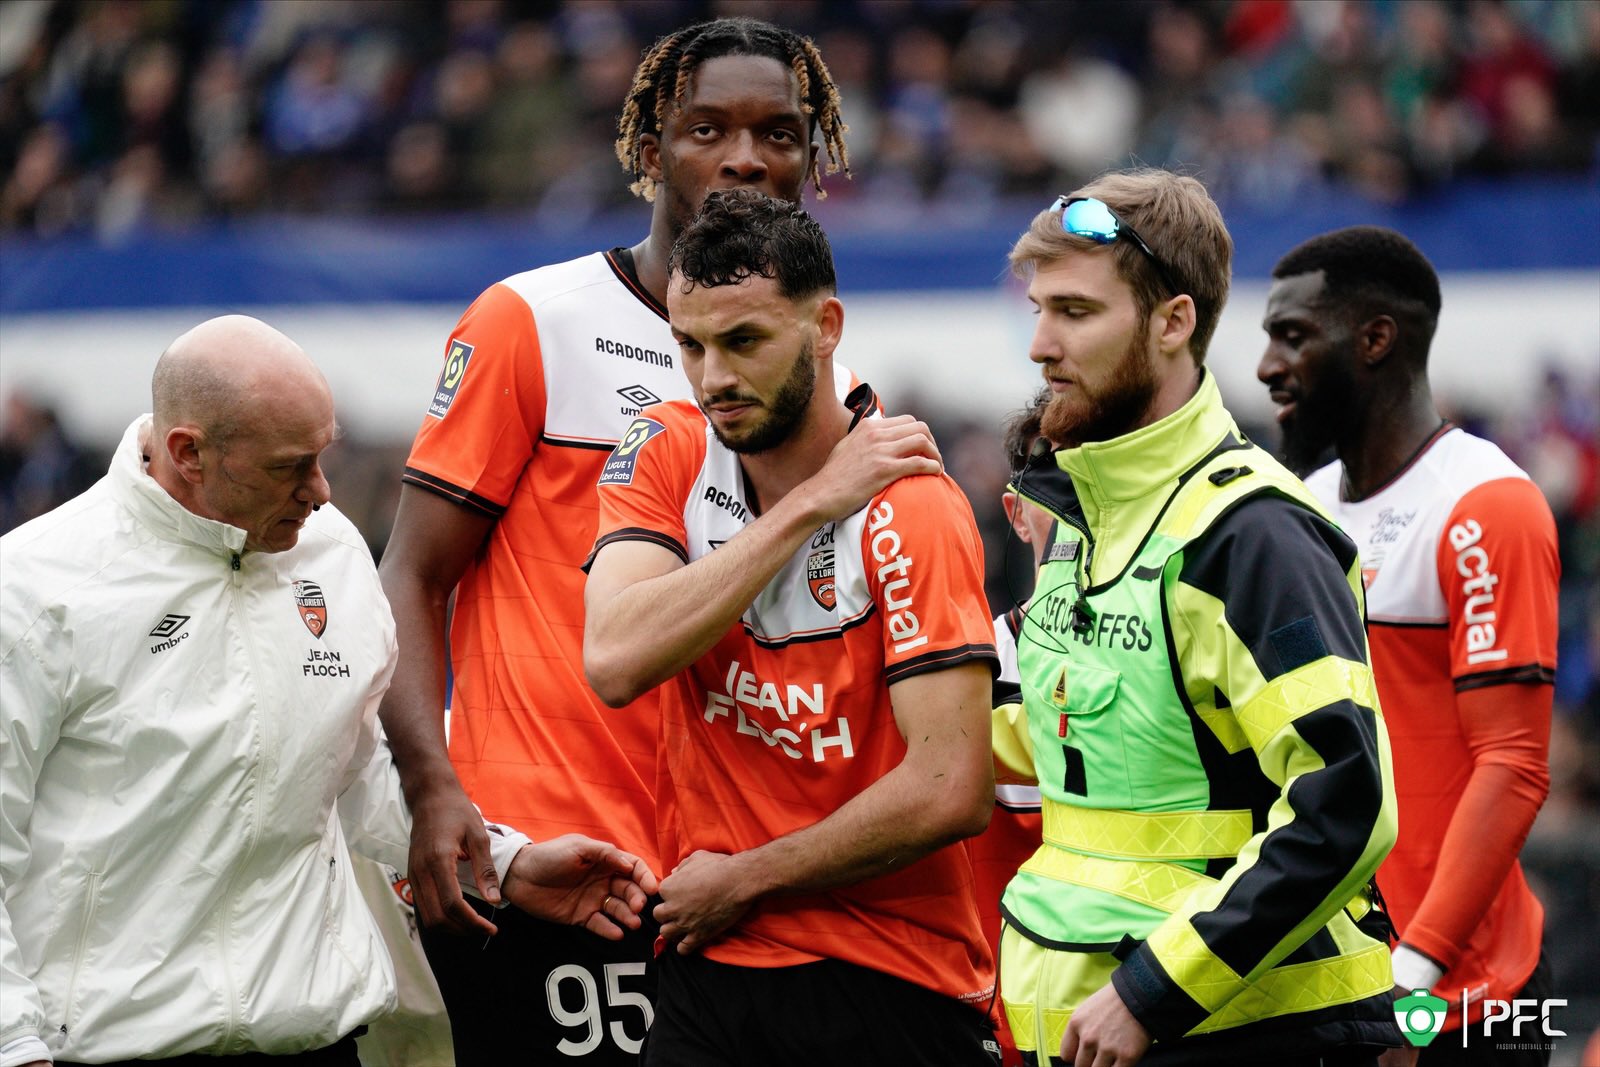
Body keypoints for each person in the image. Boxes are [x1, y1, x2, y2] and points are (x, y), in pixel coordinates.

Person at [375, 17, 852, 1064]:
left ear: (813, 156)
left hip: (735, 878)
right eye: (706, 128)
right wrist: (435, 789)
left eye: (778, 131)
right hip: (560, 869)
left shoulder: (824, 374)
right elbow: (409, 574)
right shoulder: (529, 322)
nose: (744, 156)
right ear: (648, 151)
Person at [0, 316, 657, 1067]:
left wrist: (501, 863)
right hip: (101, 1050)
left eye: (324, 454)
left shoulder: (333, 551)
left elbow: (350, 774)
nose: (321, 490)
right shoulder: (34, 586)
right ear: (188, 453)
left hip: (316, 1041)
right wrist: (14, 1041)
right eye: (292, 466)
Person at [992, 171, 1404, 1067]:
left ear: (1173, 322)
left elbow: (1348, 802)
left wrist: (1153, 990)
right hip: (1076, 1024)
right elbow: (1046, 757)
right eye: (1037, 309)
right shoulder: (1079, 518)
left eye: (1074, 311)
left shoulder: (1254, 535)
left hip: (1232, 1029)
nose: (1039, 344)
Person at [583, 188, 1000, 1065]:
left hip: (893, 977)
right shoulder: (665, 446)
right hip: (711, 966)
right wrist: (810, 505)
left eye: (744, 342)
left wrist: (743, 878)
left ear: (826, 325)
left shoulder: (913, 502)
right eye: (690, 345)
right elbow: (615, 658)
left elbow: (948, 787)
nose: (713, 380)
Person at [1259, 227, 1558, 1067]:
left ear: (1375, 339)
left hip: (1458, 1001)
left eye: (1292, 335)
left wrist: (1414, 978)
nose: (1266, 366)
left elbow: (1513, 763)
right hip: (1332, 982)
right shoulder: (1299, 504)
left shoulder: (1485, 503)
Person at [978, 389, 1050, 1067]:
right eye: (1049, 480)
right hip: (998, 1035)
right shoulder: (960, 671)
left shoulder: (1187, 656)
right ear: (1016, 513)